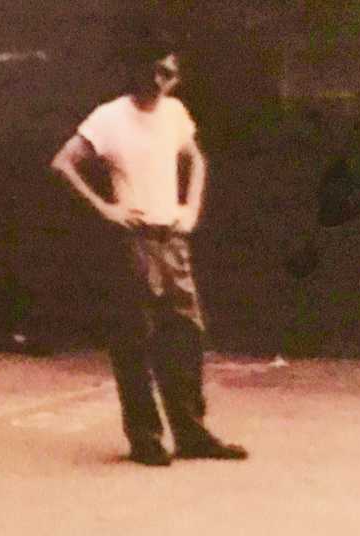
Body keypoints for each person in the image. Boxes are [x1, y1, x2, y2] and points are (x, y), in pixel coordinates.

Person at [51, 36, 248, 467]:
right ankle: (145, 437)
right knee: (136, 339)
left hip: (171, 239)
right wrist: (106, 209)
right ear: (137, 69)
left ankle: (191, 432)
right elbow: (63, 163)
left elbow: (196, 157)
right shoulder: (110, 117)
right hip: (133, 241)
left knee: (186, 335)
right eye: (155, 71)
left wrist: (190, 208)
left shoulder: (175, 112)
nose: (161, 81)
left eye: (169, 73)